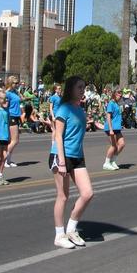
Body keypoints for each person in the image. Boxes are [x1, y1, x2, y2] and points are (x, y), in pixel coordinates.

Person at [50, 76, 94, 249]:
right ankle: (59, 235)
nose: (82, 90)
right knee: (63, 196)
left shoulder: (79, 109)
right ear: (70, 89)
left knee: (88, 193)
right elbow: (58, 135)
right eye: (79, 87)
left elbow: (79, 136)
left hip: (77, 156)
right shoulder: (64, 108)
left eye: (84, 87)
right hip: (61, 156)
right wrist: (61, 161)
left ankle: (71, 229)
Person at [103, 89, 125, 171]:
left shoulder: (116, 104)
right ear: (114, 94)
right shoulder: (111, 103)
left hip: (117, 128)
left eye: (121, 95)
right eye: (119, 94)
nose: (120, 96)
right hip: (111, 128)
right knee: (114, 146)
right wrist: (111, 129)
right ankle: (106, 163)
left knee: (122, 144)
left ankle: (112, 161)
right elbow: (108, 117)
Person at [4, 76, 22, 168]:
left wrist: (18, 91)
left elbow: (21, 99)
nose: (17, 84)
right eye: (15, 83)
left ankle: (8, 160)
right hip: (11, 116)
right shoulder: (7, 93)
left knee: (12, 140)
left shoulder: (15, 92)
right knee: (15, 140)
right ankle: (4, 159)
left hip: (16, 116)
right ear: (10, 83)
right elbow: (4, 105)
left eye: (17, 83)